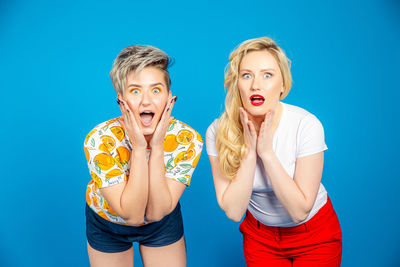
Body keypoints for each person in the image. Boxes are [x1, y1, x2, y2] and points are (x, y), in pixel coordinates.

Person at [206, 37, 342, 266]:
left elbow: (300, 211)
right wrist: (250, 153)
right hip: (260, 237)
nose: (255, 85)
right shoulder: (218, 130)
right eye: (246, 75)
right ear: (237, 83)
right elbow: (234, 211)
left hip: (315, 235)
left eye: (267, 75)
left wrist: (266, 153)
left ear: (282, 85)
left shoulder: (306, 125)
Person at [83, 45, 203, 267]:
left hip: (162, 223)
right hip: (107, 222)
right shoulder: (99, 139)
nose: (146, 101)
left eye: (156, 90)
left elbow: (156, 213)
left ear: (170, 98)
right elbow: (133, 215)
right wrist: (139, 148)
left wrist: (156, 147)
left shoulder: (187, 139)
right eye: (135, 91)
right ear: (121, 100)